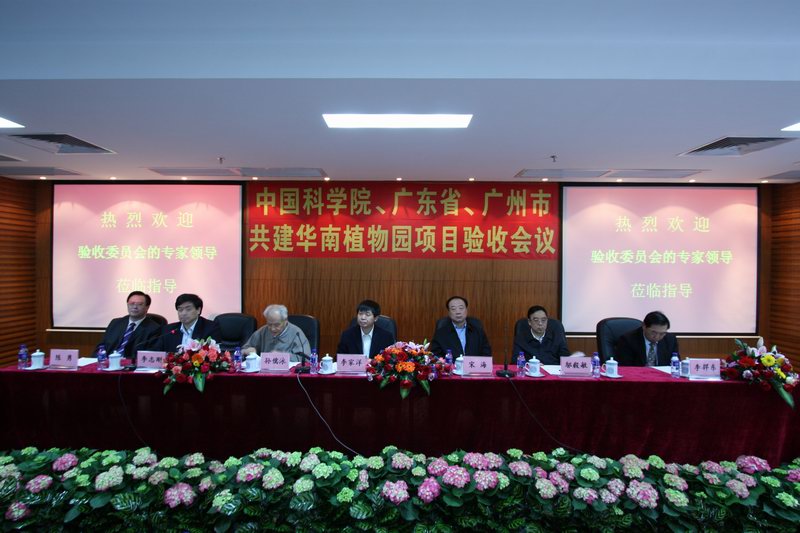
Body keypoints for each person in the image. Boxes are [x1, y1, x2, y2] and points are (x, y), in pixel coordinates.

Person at [95, 291, 161, 360]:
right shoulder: (115, 323)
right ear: (127, 305)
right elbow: (101, 345)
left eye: (139, 304)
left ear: (147, 307)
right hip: (108, 362)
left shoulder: (154, 329)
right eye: (132, 303)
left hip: (132, 364)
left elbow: (151, 354)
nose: (135, 307)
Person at [242, 304, 310, 362]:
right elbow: (241, 351)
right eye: (269, 324)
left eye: (277, 325)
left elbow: (306, 359)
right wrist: (246, 351)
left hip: (288, 372)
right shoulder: (262, 331)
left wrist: (283, 356)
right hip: (265, 371)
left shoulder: (296, 333)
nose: (272, 329)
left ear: (285, 321)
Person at [155, 293, 220, 353]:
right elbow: (157, 353)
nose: (183, 313)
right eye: (180, 310)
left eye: (188, 309)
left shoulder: (211, 328)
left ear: (198, 310)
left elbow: (213, 354)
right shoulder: (168, 330)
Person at [615, 310, 679, 366]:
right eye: (654, 332)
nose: (657, 337)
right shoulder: (627, 340)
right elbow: (626, 367)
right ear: (644, 326)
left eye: (662, 334)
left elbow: (675, 364)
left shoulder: (670, 340)